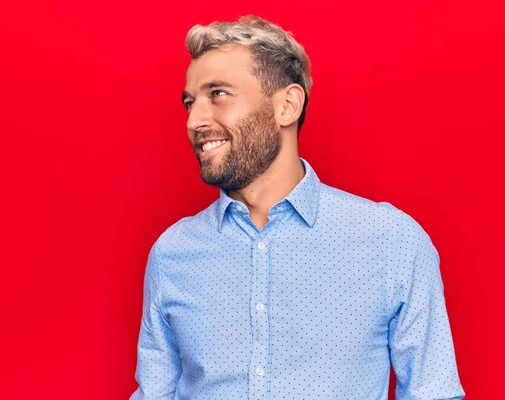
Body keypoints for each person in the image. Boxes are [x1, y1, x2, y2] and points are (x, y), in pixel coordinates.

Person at [130, 15, 465, 400]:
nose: (195, 120)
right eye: (190, 102)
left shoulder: (391, 241)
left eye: (218, 94)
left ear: (287, 105)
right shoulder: (172, 253)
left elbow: (432, 391)